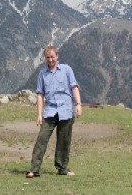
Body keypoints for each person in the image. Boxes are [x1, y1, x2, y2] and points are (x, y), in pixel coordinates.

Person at [26, 45, 82, 178]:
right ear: (45, 58)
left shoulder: (66, 70)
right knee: (41, 140)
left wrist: (78, 104)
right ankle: (34, 170)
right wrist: (39, 114)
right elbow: (40, 94)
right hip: (50, 111)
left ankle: (62, 169)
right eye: (47, 57)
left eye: (52, 57)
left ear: (57, 56)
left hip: (66, 110)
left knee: (64, 141)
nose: (50, 60)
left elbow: (74, 87)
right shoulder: (42, 74)